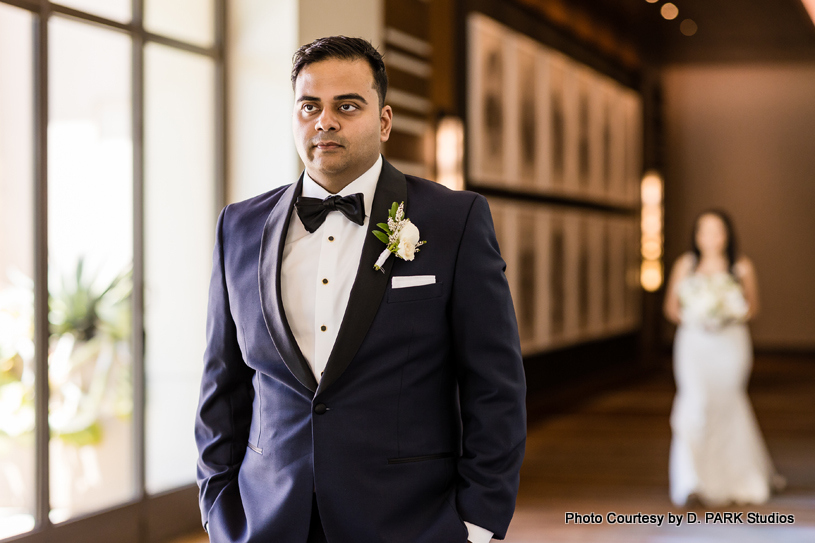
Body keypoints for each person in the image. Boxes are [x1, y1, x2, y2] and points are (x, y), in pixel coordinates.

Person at [194, 36, 526, 543]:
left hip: (409, 522)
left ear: (385, 121)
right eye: (310, 106)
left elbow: (495, 385)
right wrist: (217, 506)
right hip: (265, 522)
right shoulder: (237, 227)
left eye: (346, 106)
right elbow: (223, 383)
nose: (324, 121)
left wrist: (478, 523)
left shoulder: (454, 221)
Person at [663, 209, 784, 506]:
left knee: (728, 404)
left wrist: (725, 313)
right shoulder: (685, 265)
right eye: (704, 230)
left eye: (717, 230)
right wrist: (698, 315)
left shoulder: (741, 266)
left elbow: (752, 307)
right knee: (695, 402)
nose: (710, 237)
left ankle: (737, 476)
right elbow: (671, 308)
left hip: (729, 344)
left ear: (726, 234)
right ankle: (691, 478)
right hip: (694, 344)